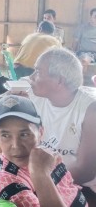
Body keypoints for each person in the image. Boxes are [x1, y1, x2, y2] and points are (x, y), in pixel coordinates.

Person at [0, 95, 87, 207]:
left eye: (24, 134)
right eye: (5, 135)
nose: (16, 146)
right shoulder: (5, 182)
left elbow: (70, 188)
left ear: (41, 133)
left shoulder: (48, 155)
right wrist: (40, 174)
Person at [26, 47, 96, 197]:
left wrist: (40, 184)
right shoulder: (33, 98)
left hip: (79, 187)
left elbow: (85, 171)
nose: (31, 77)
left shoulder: (90, 111)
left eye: (38, 72)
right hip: (40, 179)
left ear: (59, 80)